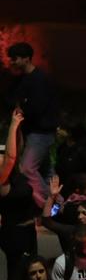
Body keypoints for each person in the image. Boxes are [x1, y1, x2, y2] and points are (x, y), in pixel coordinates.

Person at [4, 43, 59, 205]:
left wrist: (23, 108)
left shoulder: (40, 79)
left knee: (27, 168)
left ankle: (49, 204)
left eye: (14, 59)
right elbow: (9, 98)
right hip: (31, 132)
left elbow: (38, 107)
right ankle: (60, 204)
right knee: (45, 171)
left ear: (26, 59)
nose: (11, 62)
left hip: (41, 133)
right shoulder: (22, 80)